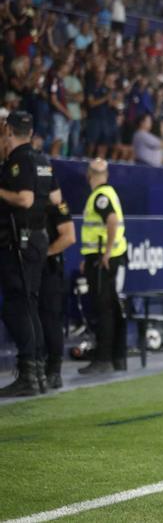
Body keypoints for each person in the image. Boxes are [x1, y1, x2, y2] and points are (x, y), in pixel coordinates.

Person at [0, 111, 54, 395]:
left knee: (16, 305)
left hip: (20, 241)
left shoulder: (20, 159)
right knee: (30, 304)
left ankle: (29, 375)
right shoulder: (42, 159)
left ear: (8, 129)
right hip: (38, 237)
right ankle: (38, 375)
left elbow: (24, 198)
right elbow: (55, 199)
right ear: (31, 132)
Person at [78, 158, 127, 375]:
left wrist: (104, 252)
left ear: (89, 175)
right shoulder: (111, 193)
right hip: (104, 256)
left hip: (102, 259)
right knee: (111, 307)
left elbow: (112, 220)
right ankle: (117, 358)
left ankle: (103, 359)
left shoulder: (100, 197)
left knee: (103, 308)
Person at [39, 187, 75, 390]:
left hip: (50, 270)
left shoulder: (57, 205)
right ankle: (40, 368)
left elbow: (69, 237)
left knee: (50, 319)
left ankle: (54, 371)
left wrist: (45, 254)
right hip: (35, 271)